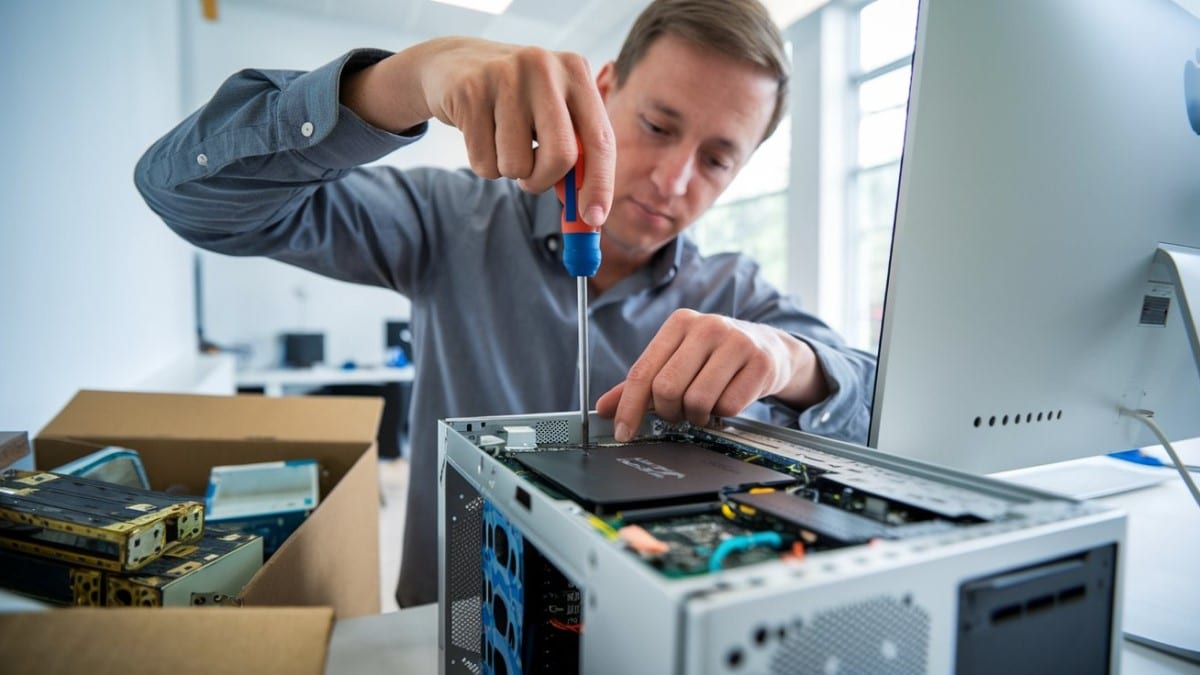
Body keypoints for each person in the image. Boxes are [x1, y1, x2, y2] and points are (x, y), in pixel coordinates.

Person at [135, 0, 877, 608]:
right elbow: (189, 194)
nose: (674, 179)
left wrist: (793, 358)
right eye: (657, 126)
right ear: (608, 86)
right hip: (458, 619)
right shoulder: (448, 222)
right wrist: (404, 81)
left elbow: (872, 390)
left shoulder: (737, 293)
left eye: (718, 158)